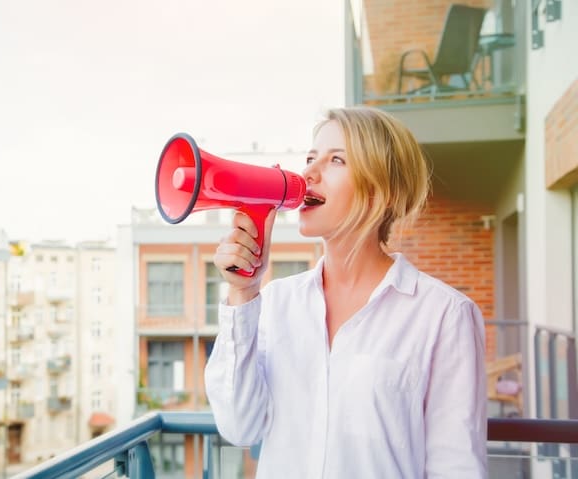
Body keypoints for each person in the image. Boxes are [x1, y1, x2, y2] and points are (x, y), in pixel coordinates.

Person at [204, 106, 487, 478]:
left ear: (380, 191)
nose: (307, 173)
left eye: (336, 160)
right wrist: (244, 292)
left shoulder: (444, 316)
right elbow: (240, 427)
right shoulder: (274, 302)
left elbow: (457, 467)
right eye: (310, 158)